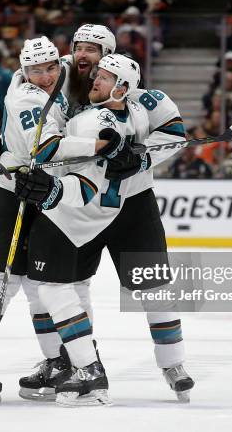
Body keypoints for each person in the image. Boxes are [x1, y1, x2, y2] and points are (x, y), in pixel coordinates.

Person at [16, 25, 195, 404]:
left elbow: (174, 134)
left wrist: (141, 155)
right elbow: (28, 112)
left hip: (130, 203)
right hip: (84, 204)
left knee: (151, 285)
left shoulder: (145, 100)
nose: (83, 56)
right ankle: (73, 362)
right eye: (78, 47)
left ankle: (172, 363)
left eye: (93, 50)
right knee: (72, 284)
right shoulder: (59, 88)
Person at [0, 36, 123, 404]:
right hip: (3, 194)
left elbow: (86, 64)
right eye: (35, 71)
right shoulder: (28, 96)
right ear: (23, 72)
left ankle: (51, 361)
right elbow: (47, 148)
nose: (45, 76)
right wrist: (101, 147)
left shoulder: (68, 69)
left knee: (30, 282)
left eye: (50, 68)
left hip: (19, 193)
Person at [15, 53, 149, 407]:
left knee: (53, 290)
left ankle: (88, 370)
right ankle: (72, 366)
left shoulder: (90, 122)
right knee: (64, 290)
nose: (95, 81)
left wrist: (50, 189)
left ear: (121, 87)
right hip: (95, 217)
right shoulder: (135, 115)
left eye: (104, 78)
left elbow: (81, 181)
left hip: (68, 217)